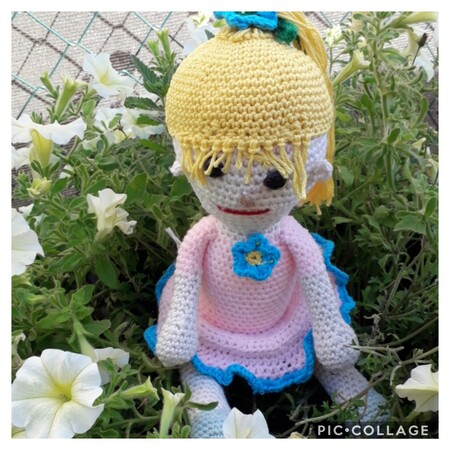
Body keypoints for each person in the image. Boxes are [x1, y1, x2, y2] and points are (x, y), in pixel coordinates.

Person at [144, 11, 387, 438]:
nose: (245, 194)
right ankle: (206, 403)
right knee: (195, 360)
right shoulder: (204, 238)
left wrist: (332, 334)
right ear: (186, 161)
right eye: (215, 169)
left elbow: (314, 282)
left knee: (318, 344)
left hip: (284, 319)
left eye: (275, 177)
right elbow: (188, 279)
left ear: (312, 167)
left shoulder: (292, 237)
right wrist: (179, 326)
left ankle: (338, 377)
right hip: (213, 324)